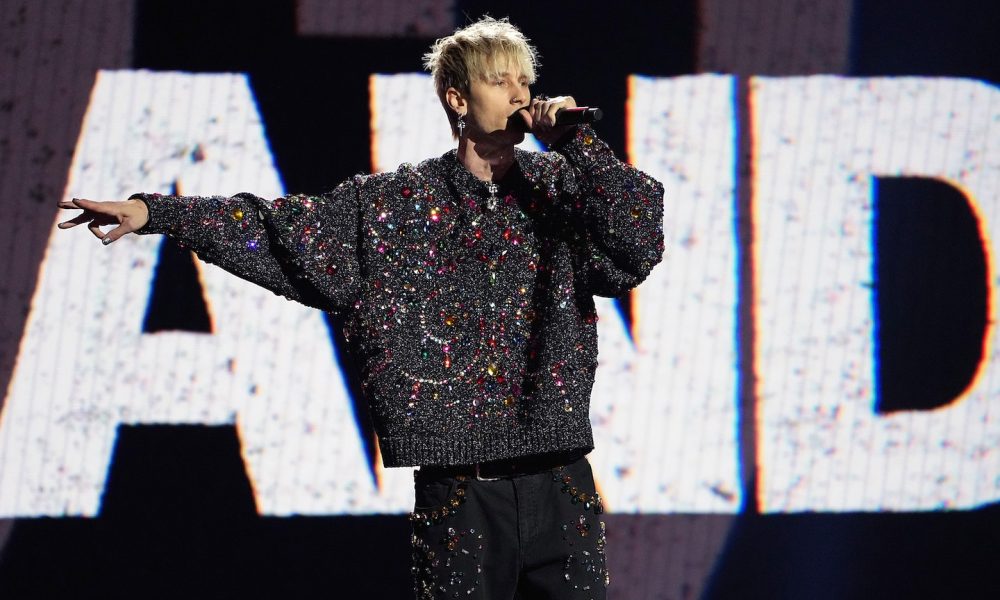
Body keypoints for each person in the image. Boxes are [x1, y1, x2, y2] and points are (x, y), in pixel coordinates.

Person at [58, 16, 664, 600]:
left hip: (561, 487)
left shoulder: (562, 191)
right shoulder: (391, 208)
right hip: (460, 496)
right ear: (457, 99)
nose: (520, 93)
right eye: (499, 80)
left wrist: (577, 143)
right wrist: (155, 213)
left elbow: (639, 240)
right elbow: (273, 230)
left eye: (524, 81)